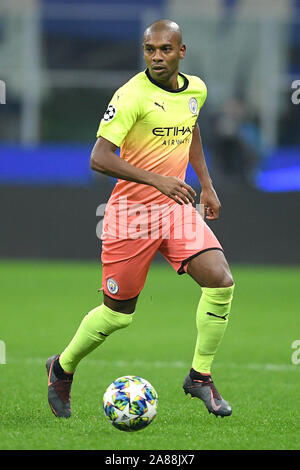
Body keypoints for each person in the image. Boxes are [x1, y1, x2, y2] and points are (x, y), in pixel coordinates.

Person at [46, 19, 235, 419]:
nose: (156, 57)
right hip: (131, 215)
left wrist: (207, 183)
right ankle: (61, 367)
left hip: (175, 209)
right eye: (150, 49)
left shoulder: (195, 89)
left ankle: (200, 375)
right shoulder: (131, 95)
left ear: (181, 52)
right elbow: (99, 158)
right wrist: (159, 180)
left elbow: (190, 126)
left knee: (220, 281)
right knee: (117, 316)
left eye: (165, 49)